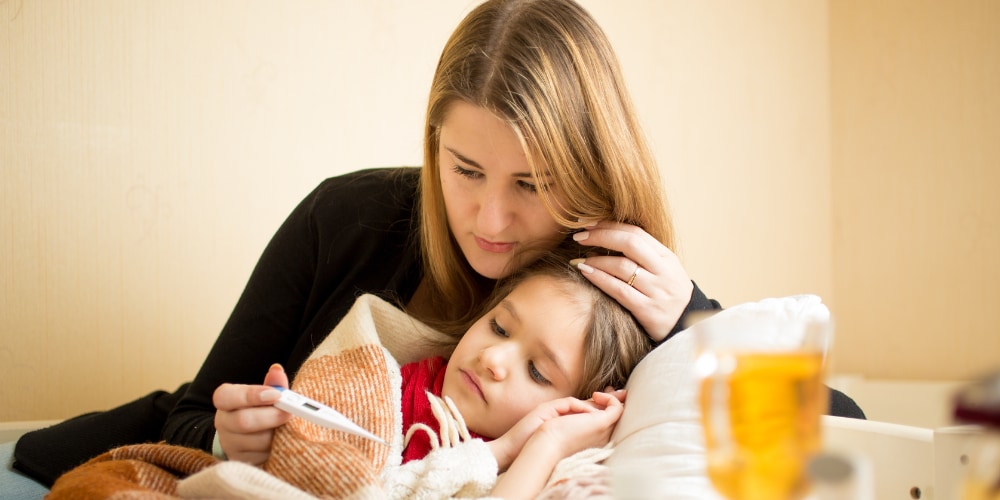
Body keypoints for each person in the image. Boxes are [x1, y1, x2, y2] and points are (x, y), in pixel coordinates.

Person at [7, 0, 860, 496]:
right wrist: (239, 437)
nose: (489, 218)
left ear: (589, 174)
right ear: (431, 146)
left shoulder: (612, 299)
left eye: (530, 184)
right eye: (464, 170)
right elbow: (192, 412)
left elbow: (848, 436)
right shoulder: (349, 219)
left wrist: (692, 320)